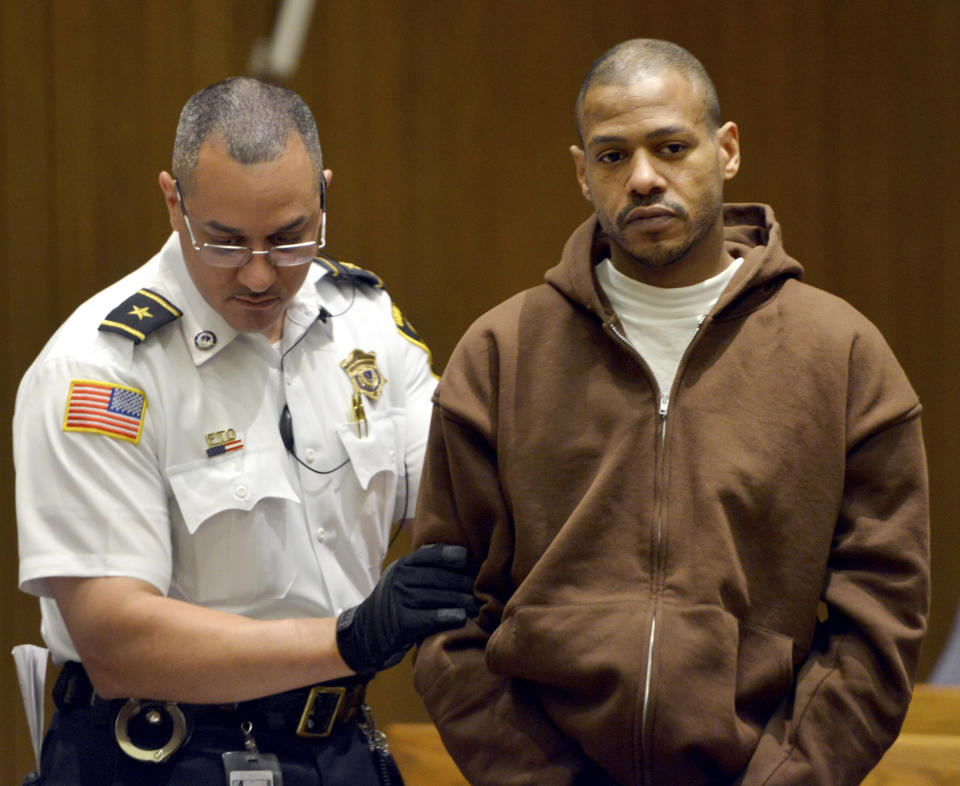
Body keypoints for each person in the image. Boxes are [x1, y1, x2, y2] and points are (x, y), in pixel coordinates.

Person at [411, 38, 930, 785]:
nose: (644, 178)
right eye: (613, 156)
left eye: (671, 146)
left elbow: (878, 626)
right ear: (582, 172)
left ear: (727, 151)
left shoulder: (842, 354)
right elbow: (446, 616)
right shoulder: (502, 352)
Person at [14, 76, 477, 785]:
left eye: (291, 238)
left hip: (340, 748)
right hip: (163, 755)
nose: (261, 275)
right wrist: (350, 639)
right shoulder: (102, 372)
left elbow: (464, 506)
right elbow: (115, 641)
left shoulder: (366, 326)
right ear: (175, 203)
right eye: (225, 242)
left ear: (324, 196)